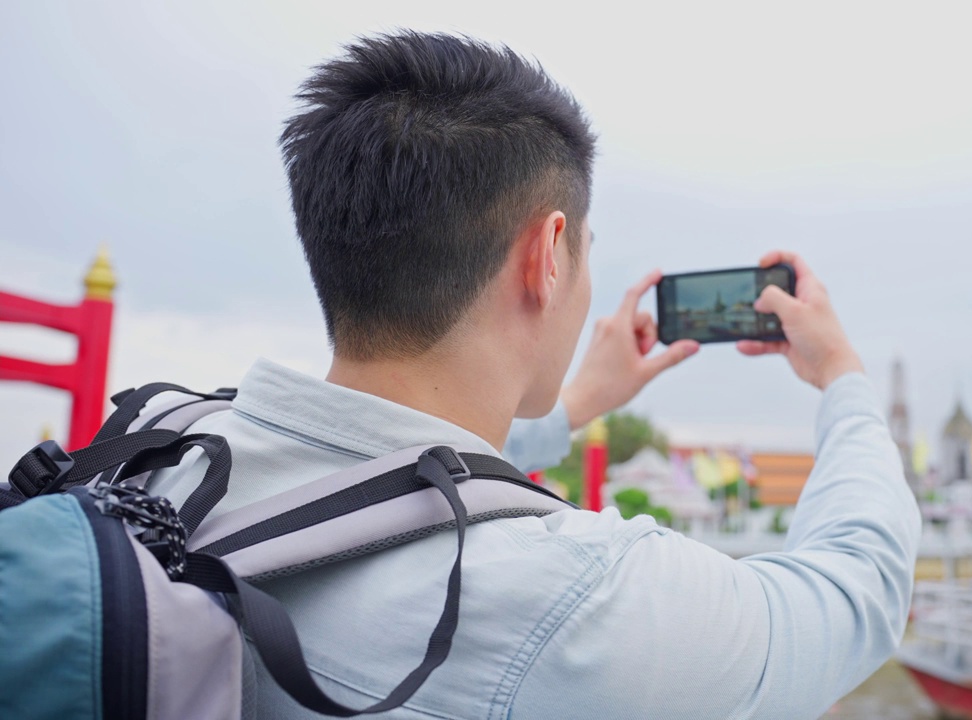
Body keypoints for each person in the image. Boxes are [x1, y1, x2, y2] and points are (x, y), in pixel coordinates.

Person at [148, 31, 920, 719]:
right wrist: (842, 376)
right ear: (548, 257)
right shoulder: (577, 599)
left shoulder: (168, 452)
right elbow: (856, 593)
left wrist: (582, 400)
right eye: (586, 247)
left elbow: (388, 474)